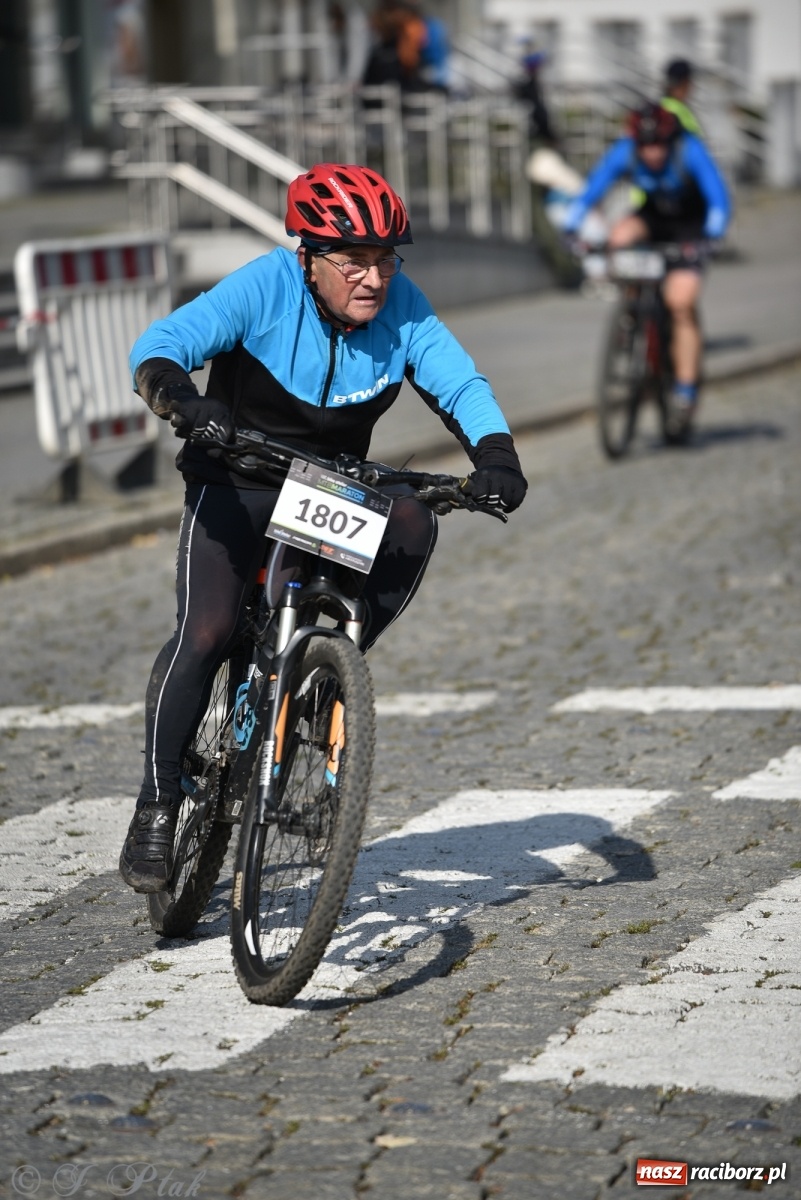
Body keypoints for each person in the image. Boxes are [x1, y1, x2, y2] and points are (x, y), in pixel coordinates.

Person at [119, 163, 528, 893]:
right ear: (309, 259)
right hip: (237, 474)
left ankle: (326, 666)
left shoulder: (401, 304)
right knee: (207, 633)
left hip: (324, 486)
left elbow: (458, 381)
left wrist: (494, 455)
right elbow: (163, 342)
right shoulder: (266, 285)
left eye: (384, 260)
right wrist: (181, 397)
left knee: (411, 518)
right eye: (355, 262)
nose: (373, 278)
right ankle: (156, 804)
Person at [561, 102, 731, 431]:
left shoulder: (689, 151)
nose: (652, 153)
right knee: (618, 237)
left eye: (659, 145)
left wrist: (711, 237)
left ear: (670, 141)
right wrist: (571, 226)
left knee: (680, 303)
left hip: (690, 227)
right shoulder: (625, 151)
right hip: (653, 219)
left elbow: (718, 199)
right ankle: (633, 309)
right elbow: (591, 190)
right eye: (646, 145)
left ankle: (684, 391)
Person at [662, 57, 703, 137]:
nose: (691, 87)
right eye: (689, 82)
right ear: (684, 84)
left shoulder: (667, 106)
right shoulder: (673, 113)